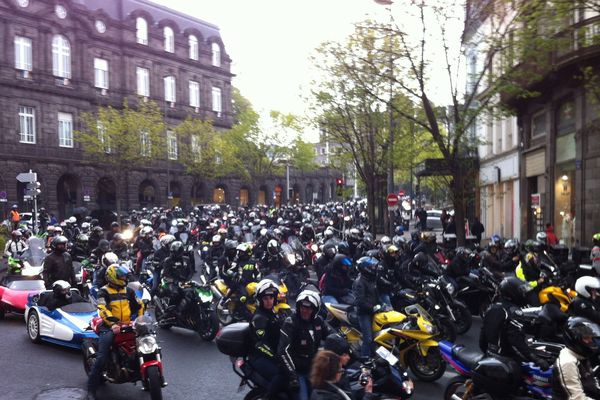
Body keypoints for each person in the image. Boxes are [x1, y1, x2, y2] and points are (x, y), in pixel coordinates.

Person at [87, 264, 143, 399]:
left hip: (126, 324)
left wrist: (140, 320)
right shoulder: (103, 292)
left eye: (125, 275)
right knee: (101, 357)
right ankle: (91, 389)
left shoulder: (128, 291)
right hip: (108, 326)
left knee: (144, 343)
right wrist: (112, 324)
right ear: (113, 277)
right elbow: (102, 308)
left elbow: (139, 305)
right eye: (121, 276)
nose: (124, 278)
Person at [479, 277, 550, 371]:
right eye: (520, 291)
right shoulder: (513, 312)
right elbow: (516, 341)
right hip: (504, 360)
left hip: (489, 355)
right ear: (513, 293)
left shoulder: (492, 307)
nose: (523, 294)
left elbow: (482, 338)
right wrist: (536, 359)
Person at [279, 290, 330, 400]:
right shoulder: (290, 322)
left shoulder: (318, 321)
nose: (305, 310)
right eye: (303, 307)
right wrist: (293, 377)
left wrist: (346, 348)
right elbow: (283, 351)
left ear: (315, 309)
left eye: (309, 308)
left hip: (313, 368)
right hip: (298, 371)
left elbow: (331, 337)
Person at [248, 279, 282, 398]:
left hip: (275, 354)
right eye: (265, 299)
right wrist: (277, 358)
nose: (269, 301)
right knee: (281, 375)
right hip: (260, 357)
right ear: (260, 300)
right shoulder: (259, 318)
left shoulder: (273, 314)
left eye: (271, 298)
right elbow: (260, 345)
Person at [553, 317, 600, 399]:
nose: (591, 341)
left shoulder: (580, 355)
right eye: (586, 338)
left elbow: (592, 382)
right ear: (574, 338)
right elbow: (577, 397)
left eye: (591, 337)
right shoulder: (568, 362)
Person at [310, 350, 375, 400]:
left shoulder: (319, 388)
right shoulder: (331, 397)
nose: (342, 372)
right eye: (340, 370)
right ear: (333, 373)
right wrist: (368, 393)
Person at [352, 256, 380, 358]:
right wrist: (372, 308)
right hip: (364, 314)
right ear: (366, 268)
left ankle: (374, 356)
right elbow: (360, 301)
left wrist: (381, 305)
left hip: (374, 311)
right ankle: (365, 360)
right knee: (368, 338)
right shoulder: (359, 282)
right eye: (372, 267)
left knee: (377, 336)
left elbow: (376, 295)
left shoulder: (371, 279)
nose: (374, 268)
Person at [161, 241, 193, 319]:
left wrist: (187, 280)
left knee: (193, 293)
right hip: (171, 282)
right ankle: (168, 312)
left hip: (184, 282)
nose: (173, 253)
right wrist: (175, 281)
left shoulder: (186, 259)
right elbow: (166, 274)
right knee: (176, 293)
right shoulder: (168, 260)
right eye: (173, 252)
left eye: (176, 252)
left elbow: (190, 272)